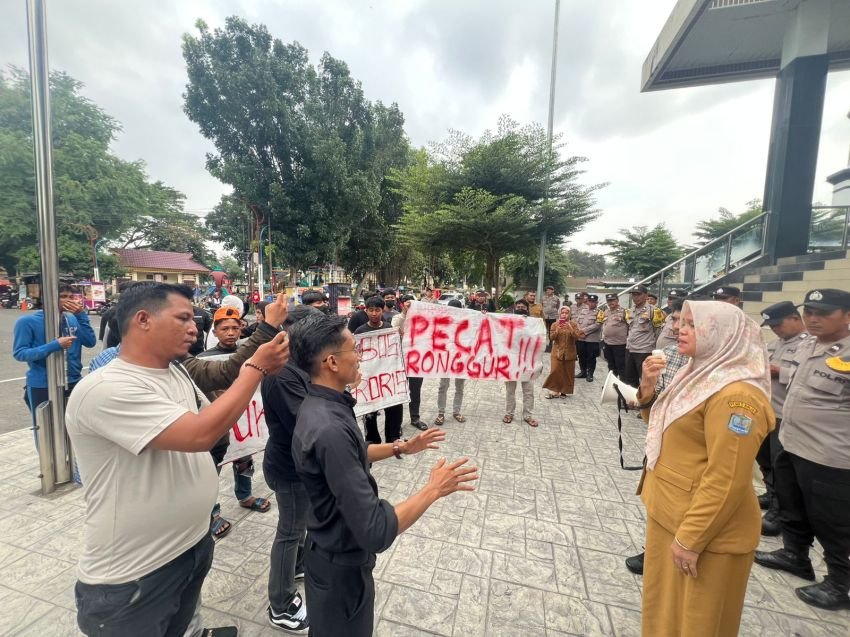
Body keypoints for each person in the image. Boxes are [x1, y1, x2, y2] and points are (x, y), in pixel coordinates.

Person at [65, 282, 289, 637]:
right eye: (183, 317)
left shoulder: (176, 371)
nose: (193, 327)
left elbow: (213, 422)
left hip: (190, 546)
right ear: (143, 320)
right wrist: (256, 370)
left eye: (195, 318)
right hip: (136, 575)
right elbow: (201, 433)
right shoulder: (106, 388)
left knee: (185, 624)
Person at [289, 312, 477, 637]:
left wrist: (400, 447)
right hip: (341, 569)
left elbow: (354, 453)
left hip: (328, 554)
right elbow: (376, 530)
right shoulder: (330, 427)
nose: (360, 356)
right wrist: (433, 489)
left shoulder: (323, 406)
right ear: (331, 362)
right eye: (353, 349)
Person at [637, 300, 773, 636]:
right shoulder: (697, 374)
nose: (680, 329)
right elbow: (665, 427)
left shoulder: (736, 396)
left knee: (697, 622)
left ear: (723, 334)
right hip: (671, 511)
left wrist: (690, 539)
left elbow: (727, 478)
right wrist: (647, 387)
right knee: (665, 612)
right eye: (681, 322)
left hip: (706, 532)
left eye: (694, 325)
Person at [754, 288, 850, 610]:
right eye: (809, 311)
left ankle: (842, 584)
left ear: (847, 315)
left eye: (824, 313)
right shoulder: (808, 345)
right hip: (793, 443)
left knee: (833, 522)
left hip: (830, 456)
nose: (813, 318)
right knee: (792, 506)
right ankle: (795, 555)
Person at [260, 305, 319, 633]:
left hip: (301, 464)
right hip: (290, 468)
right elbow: (309, 422)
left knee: (299, 526)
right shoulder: (283, 375)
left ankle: (297, 566)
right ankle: (281, 604)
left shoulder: (301, 366)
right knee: (290, 531)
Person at [624, 299, 688, 576]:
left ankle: (682, 547)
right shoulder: (669, 354)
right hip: (662, 440)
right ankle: (655, 549)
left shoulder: (727, 369)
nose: (675, 328)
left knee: (685, 506)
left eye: (685, 323)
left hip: (692, 451)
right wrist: (645, 391)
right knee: (659, 502)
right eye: (674, 320)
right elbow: (652, 403)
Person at [198, 307, 272, 540]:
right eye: (225, 328)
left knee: (244, 460)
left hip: (245, 424)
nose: (231, 333)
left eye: (235, 328)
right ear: (215, 331)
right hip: (218, 424)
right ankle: (210, 512)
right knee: (211, 471)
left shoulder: (250, 354)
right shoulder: (203, 359)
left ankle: (245, 496)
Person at [755, 300, 808, 538]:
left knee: (780, 466)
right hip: (764, 412)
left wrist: (780, 372)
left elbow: (806, 378)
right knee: (764, 459)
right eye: (772, 326)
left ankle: (778, 513)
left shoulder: (809, 346)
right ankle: (770, 494)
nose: (776, 329)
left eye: (779, 324)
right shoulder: (775, 344)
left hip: (784, 416)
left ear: (795, 319)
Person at [13, 284, 97, 427]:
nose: (68, 300)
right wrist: (55, 345)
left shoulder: (72, 319)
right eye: (63, 297)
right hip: (43, 384)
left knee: (75, 427)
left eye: (71, 297)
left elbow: (90, 342)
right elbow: (20, 353)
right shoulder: (27, 322)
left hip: (73, 380)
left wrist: (81, 315)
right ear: (49, 299)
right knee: (46, 430)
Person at [355, 297, 404, 444]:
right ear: (366, 311)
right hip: (369, 378)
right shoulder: (360, 331)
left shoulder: (389, 329)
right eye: (371, 310)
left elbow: (396, 352)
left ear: (382, 311)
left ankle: (393, 437)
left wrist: (399, 338)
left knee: (394, 406)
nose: (374, 313)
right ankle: (372, 440)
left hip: (388, 377)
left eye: (377, 310)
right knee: (369, 411)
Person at [392, 295, 426, 430]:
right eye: (407, 304)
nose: (410, 307)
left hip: (416, 362)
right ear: (402, 305)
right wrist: (405, 314)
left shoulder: (421, 320)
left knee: (415, 391)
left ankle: (415, 418)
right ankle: (397, 423)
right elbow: (393, 329)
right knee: (400, 392)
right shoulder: (397, 318)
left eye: (413, 304)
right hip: (399, 362)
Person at [503, 299, 538, 427]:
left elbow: (538, 339)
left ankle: (528, 415)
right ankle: (509, 413)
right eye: (518, 306)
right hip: (511, 362)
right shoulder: (508, 322)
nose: (520, 308)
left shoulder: (533, 323)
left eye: (523, 307)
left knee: (528, 390)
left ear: (527, 310)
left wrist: (526, 323)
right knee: (510, 390)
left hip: (527, 362)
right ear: (514, 308)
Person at [624, 285, 665, 387]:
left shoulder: (654, 311)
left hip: (644, 350)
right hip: (630, 349)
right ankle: (632, 401)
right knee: (630, 379)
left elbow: (659, 330)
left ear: (646, 296)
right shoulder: (630, 310)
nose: (635, 297)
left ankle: (645, 401)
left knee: (645, 379)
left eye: (638, 294)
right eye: (633, 295)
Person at [434, 299, 466, 424]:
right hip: (446, 359)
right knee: (443, 386)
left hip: (461, 360)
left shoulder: (466, 322)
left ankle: (456, 411)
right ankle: (441, 413)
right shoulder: (442, 322)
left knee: (459, 387)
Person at [542, 306, 580, 398]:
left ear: (569, 314)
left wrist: (570, 328)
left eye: (566, 313)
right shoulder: (555, 324)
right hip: (557, 351)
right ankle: (554, 390)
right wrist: (558, 330)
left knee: (568, 372)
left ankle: (564, 391)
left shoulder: (573, 324)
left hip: (570, 352)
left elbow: (577, 337)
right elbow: (551, 338)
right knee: (555, 371)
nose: (564, 315)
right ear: (559, 314)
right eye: (562, 313)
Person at [600, 293, 628, 379]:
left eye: (612, 300)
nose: (610, 302)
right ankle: (611, 383)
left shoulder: (624, 311)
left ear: (617, 300)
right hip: (608, 343)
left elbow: (630, 326)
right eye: (609, 301)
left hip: (619, 344)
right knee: (611, 365)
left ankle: (623, 384)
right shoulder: (606, 312)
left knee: (621, 366)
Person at [575, 294, 601, 382]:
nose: (591, 303)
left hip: (591, 339)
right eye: (590, 301)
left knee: (591, 357)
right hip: (580, 338)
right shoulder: (583, 311)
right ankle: (583, 372)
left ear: (596, 303)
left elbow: (597, 325)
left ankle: (590, 374)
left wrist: (584, 331)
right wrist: (579, 331)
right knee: (581, 355)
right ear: (587, 302)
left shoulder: (599, 312)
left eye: (593, 302)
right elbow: (577, 322)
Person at [541, 286, 561, 353]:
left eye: (550, 290)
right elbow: (542, 305)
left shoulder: (556, 298)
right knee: (544, 330)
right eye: (547, 290)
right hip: (545, 316)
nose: (548, 291)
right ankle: (544, 344)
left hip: (553, 316)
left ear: (553, 291)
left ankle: (550, 344)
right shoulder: (543, 298)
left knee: (551, 330)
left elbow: (558, 306)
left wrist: (553, 311)